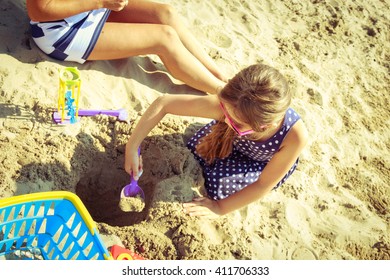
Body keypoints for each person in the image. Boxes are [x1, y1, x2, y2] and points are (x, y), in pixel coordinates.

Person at [125, 64, 309, 218]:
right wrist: (132, 146)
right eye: (224, 111)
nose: (226, 119)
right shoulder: (234, 104)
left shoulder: (294, 137)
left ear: (264, 127)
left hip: (263, 162)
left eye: (236, 123)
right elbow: (164, 103)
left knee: (219, 188)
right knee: (195, 151)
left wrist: (219, 208)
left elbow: (262, 184)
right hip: (233, 140)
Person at [26, 0, 226, 94]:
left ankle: (216, 73)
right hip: (61, 31)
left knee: (166, 13)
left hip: (89, 12)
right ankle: (223, 93)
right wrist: (100, 2)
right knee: (164, 38)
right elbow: (39, 10)